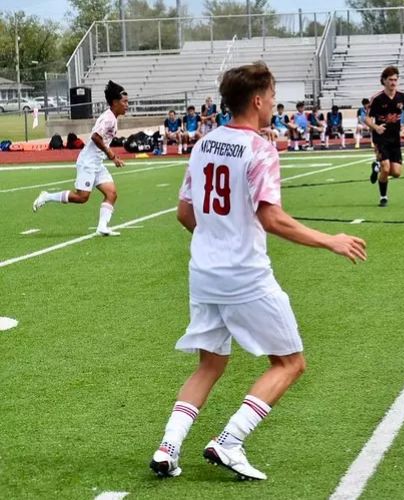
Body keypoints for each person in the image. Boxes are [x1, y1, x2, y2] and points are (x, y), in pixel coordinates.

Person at [149, 61, 367, 481]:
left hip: (204, 275)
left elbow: (183, 213)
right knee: (290, 363)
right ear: (256, 99)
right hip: (245, 276)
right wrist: (330, 240)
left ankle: (168, 447)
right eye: (271, 95)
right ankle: (230, 441)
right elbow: (273, 219)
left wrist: (216, 236)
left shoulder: (204, 143)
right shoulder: (260, 149)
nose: (273, 103)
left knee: (209, 365)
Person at [32, 80, 128, 236]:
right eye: (124, 102)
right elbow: (96, 137)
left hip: (97, 163)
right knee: (82, 197)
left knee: (111, 193)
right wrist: (110, 154)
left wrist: (111, 156)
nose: (127, 105)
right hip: (88, 162)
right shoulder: (108, 118)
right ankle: (47, 196)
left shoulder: (113, 118)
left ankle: (102, 227)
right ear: (115, 102)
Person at [366, 66, 404, 207]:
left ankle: (376, 167)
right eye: (390, 79)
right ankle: (383, 197)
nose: (393, 82)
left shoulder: (402, 97)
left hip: (395, 138)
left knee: (396, 173)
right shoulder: (377, 99)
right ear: (384, 81)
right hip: (381, 138)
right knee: (386, 168)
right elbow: (366, 118)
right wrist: (376, 127)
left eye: (395, 79)